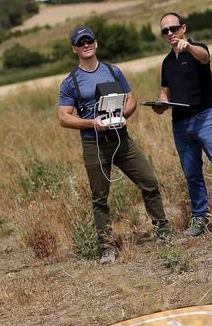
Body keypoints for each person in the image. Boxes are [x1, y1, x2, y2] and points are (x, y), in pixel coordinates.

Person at [58, 27, 171, 264]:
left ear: (96, 44)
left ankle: (163, 231)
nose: (86, 44)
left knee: (149, 182)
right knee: (100, 198)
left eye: (89, 40)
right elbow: (64, 117)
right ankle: (106, 247)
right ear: (74, 49)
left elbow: (131, 99)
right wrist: (91, 123)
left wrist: (123, 116)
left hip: (122, 140)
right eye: (80, 42)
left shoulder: (113, 71)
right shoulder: (70, 83)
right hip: (94, 145)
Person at [151, 13, 212, 237]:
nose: (169, 33)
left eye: (173, 28)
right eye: (164, 31)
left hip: (205, 117)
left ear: (183, 28)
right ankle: (199, 218)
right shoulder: (167, 62)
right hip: (181, 123)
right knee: (192, 173)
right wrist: (161, 104)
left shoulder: (197, 50)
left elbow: (205, 57)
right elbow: (165, 91)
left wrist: (189, 48)